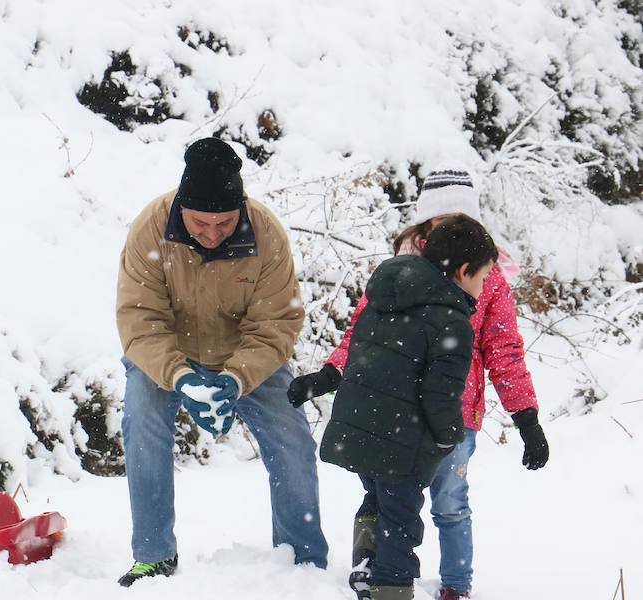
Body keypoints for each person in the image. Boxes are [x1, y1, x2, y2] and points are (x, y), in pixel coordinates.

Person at [288, 167, 550, 600]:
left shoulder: (489, 280)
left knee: (450, 505)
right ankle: (378, 569)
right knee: (388, 499)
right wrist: (330, 374)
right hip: (394, 418)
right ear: (425, 228)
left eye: (461, 222)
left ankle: (455, 586)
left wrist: (526, 418)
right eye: (441, 223)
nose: (452, 231)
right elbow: (361, 339)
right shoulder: (397, 277)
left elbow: (505, 352)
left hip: (456, 416)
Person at [115, 137, 328, 586]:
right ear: (181, 207)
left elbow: (276, 323)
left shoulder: (266, 234)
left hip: (246, 358)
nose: (212, 233)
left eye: (224, 222)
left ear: (241, 208)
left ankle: (303, 562)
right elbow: (140, 320)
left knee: (292, 441)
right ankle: (154, 556)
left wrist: (234, 377)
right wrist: (180, 376)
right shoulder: (150, 228)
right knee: (142, 425)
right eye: (200, 223)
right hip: (167, 355)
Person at [319, 215, 499, 600]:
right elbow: (441, 395)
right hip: (402, 444)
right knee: (401, 526)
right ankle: (390, 588)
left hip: (362, 429)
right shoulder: (452, 322)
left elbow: (361, 359)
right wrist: (449, 434)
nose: (483, 288)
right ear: (463, 271)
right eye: (483, 278)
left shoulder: (386, 296)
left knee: (378, 500)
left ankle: (366, 563)